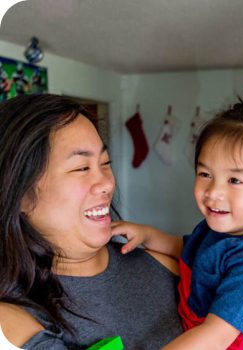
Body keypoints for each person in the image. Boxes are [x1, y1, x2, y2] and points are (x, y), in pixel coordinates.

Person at [111, 93, 243, 349]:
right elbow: (188, 250)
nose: (213, 192)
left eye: (234, 180)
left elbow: (216, 336)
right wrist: (146, 234)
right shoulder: (216, 231)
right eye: (205, 174)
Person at [0, 94, 183, 349]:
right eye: (81, 168)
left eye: (105, 163)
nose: (107, 183)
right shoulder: (12, 324)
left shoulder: (165, 267)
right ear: (19, 194)